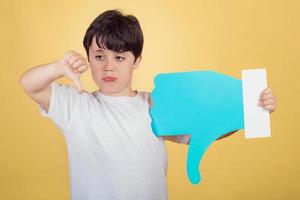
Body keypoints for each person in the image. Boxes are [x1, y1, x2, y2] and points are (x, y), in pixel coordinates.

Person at [19, 9, 276, 200]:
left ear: (137, 60)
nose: (108, 66)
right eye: (99, 56)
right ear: (88, 58)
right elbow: (29, 84)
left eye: (119, 57)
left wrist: (250, 111)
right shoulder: (75, 105)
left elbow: (200, 133)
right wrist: (58, 68)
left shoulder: (155, 105)